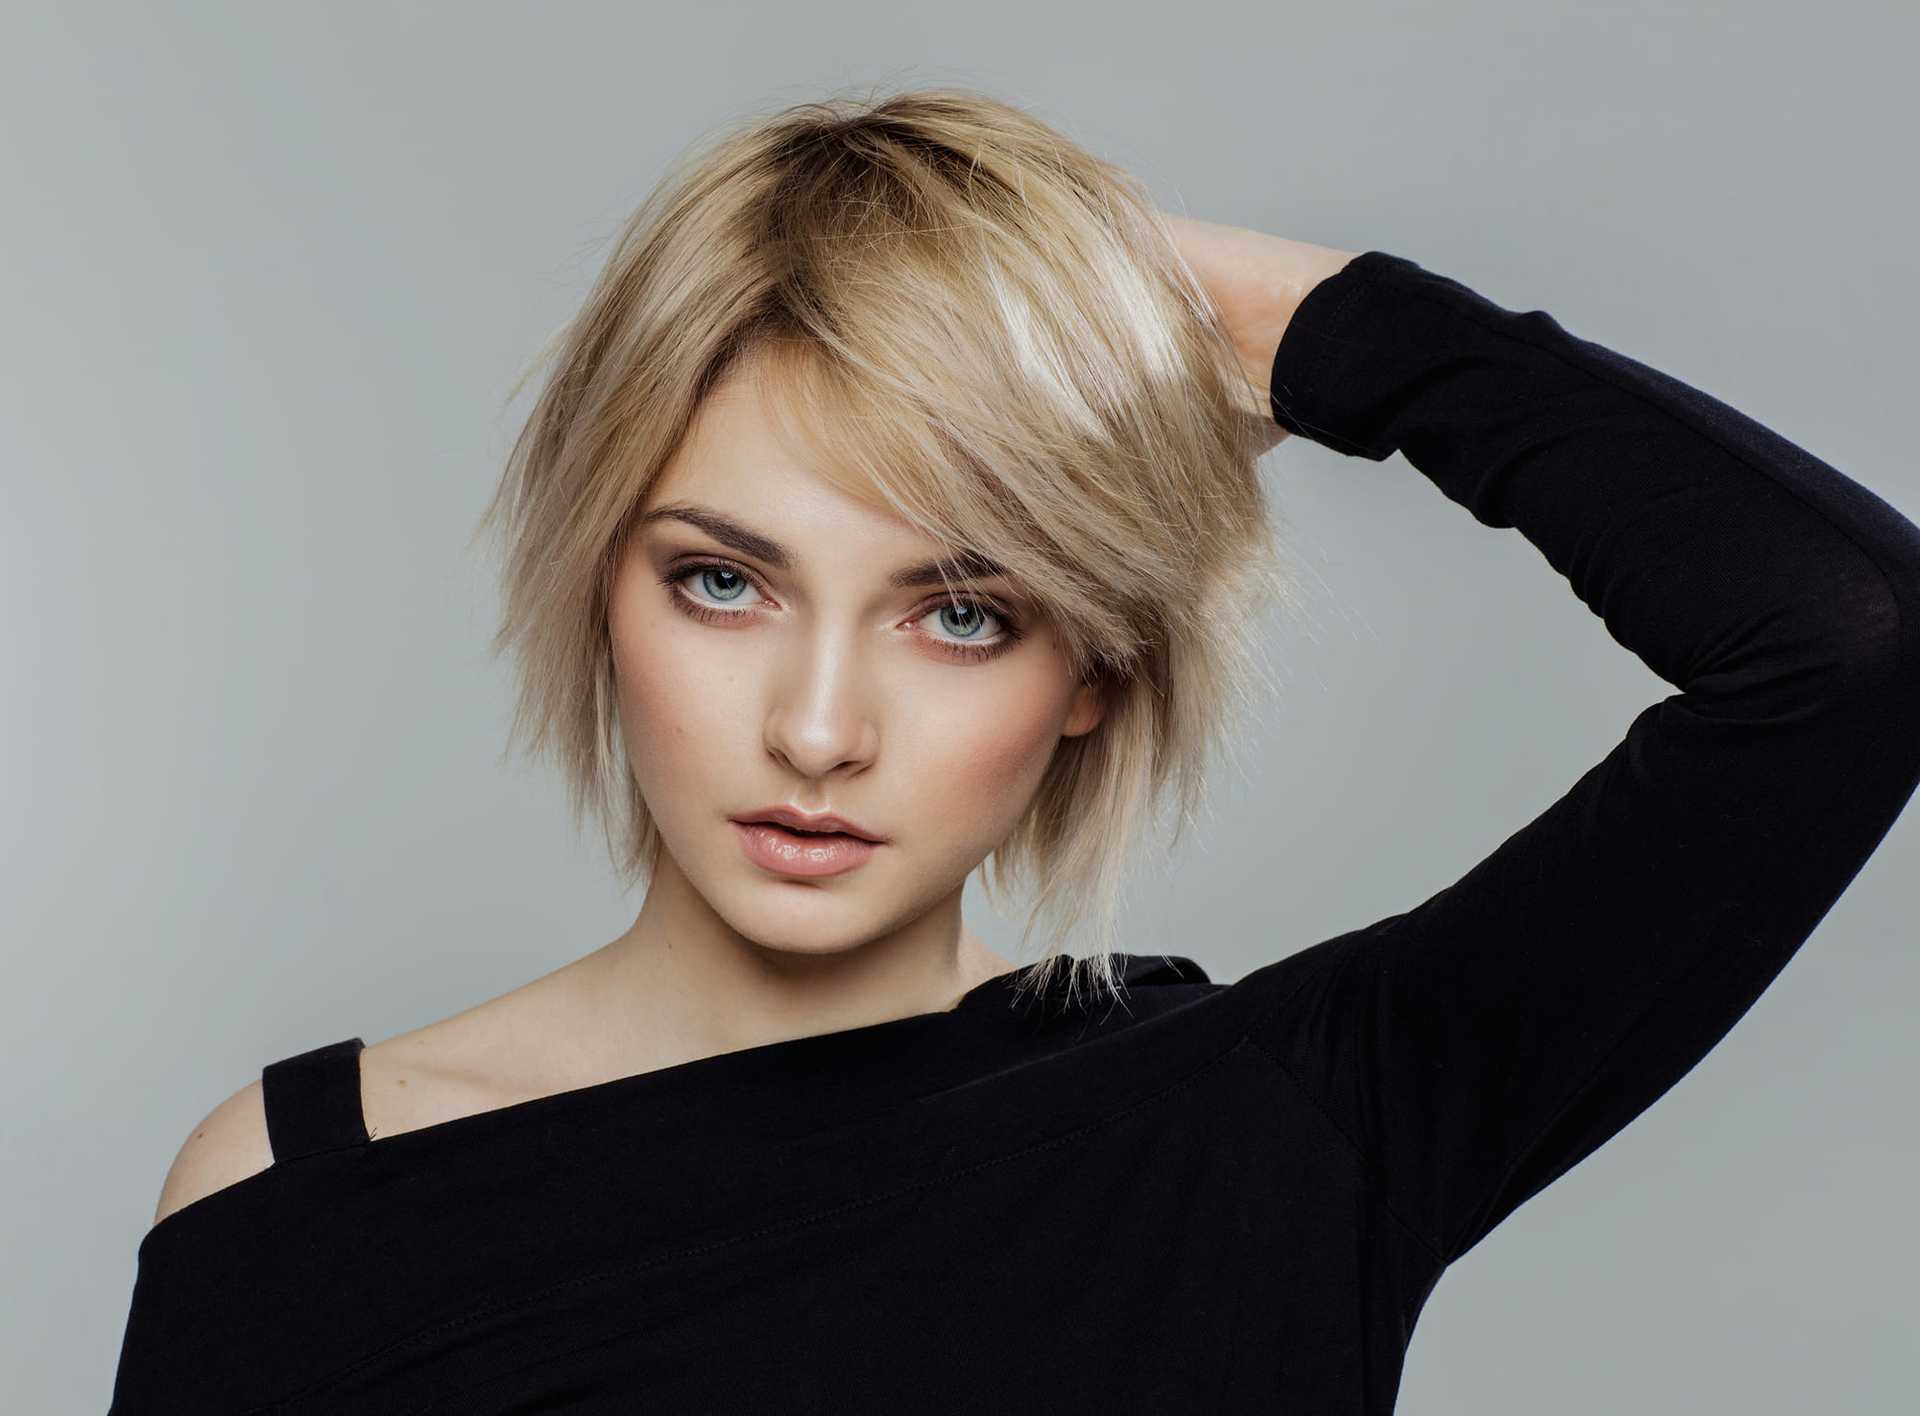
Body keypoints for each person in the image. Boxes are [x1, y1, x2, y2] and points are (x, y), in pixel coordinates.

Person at [107, 88, 1920, 1413]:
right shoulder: (301, 1193)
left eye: (963, 609)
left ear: (1100, 666)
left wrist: (1280, 330)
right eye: (725, 582)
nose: (820, 729)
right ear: (602, 586)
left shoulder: (1286, 1122)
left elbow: (1847, 642)